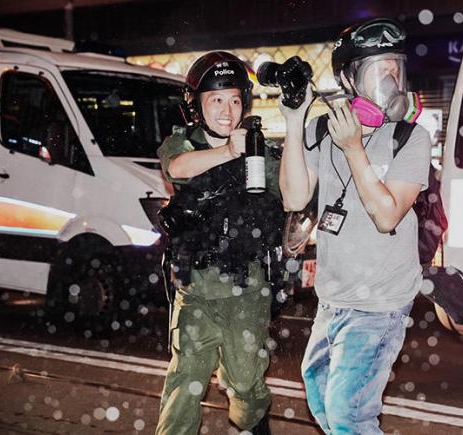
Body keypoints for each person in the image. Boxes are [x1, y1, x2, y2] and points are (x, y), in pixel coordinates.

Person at [279, 18, 431, 434]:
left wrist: (353, 150)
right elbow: (293, 198)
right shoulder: (318, 132)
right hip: (333, 299)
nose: (391, 78)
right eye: (377, 68)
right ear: (349, 77)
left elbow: (387, 214)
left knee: (348, 415)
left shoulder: (409, 138)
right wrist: (295, 122)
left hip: (379, 304)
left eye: (395, 67)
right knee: (322, 401)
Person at [155, 51, 283, 435]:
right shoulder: (182, 144)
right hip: (194, 288)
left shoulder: (260, 151)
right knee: (184, 383)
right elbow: (176, 169)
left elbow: (294, 194)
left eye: (234, 99)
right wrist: (229, 152)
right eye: (216, 99)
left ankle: (253, 421)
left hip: (247, 288)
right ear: (197, 105)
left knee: (245, 384)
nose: (227, 110)